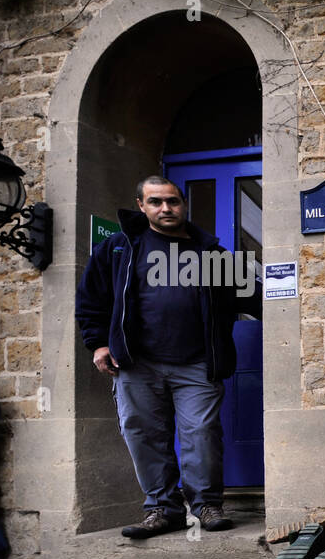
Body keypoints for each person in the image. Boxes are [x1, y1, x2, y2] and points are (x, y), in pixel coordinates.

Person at [76, 176, 259, 538]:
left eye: (173, 201)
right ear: (141, 205)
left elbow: (256, 297)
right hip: (136, 363)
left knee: (202, 434)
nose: (166, 208)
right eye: (156, 202)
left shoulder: (209, 253)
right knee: (144, 435)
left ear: (183, 204)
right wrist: (97, 343)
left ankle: (206, 504)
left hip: (197, 363)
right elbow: (90, 300)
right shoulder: (119, 248)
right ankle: (162, 508)